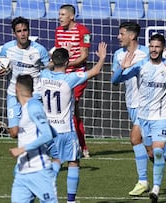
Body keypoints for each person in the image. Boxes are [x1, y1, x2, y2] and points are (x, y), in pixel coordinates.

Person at [112, 34, 166, 202]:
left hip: (162, 117)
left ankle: (155, 189)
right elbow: (115, 81)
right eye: (151, 46)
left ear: (162, 48)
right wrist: (122, 68)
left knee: (157, 152)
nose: (154, 50)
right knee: (150, 151)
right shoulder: (140, 66)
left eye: (157, 47)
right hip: (143, 118)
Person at [40, 42, 107, 203]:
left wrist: (60, 58)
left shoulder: (44, 75)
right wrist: (102, 58)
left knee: (52, 163)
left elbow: (50, 65)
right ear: (67, 62)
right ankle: (70, 201)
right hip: (65, 130)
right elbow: (95, 71)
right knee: (73, 162)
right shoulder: (69, 79)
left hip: (47, 131)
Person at [0, 16, 50, 138]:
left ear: (29, 31)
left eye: (25, 30)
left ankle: (39, 152)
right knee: (14, 133)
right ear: (14, 33)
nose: (22, 34)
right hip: (13, 94)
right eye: (19, 31)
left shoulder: (39, 50)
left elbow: (49, 67)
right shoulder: (7, 48)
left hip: (34, 95)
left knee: (37, 128)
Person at [9, 74, 59, 203]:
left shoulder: (34, 106)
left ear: (16, 89)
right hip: (22, 172)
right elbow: (52, 132)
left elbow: (47, 134)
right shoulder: (25, 108)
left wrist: (22, 149)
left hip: (39, 171)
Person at [54, 4, 91, 158]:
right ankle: (82, 146)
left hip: (77, 76)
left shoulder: (84, 31)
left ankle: (75, 147)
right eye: (59, 14)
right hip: (62, 75)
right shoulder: (58, 31)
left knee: (69, 110)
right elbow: (58, 53)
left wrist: (67, 64)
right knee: (72, 113)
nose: (59, 17)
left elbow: (84, 56)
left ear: (72, 16)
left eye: (63, 14)